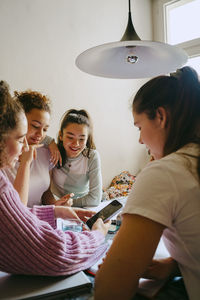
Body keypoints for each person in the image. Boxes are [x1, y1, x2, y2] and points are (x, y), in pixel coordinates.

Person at [94, 66, 200, 300]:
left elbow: (110, 291)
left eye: (140, 127)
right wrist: (174, 265)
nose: (140, 140)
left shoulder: (165, 172)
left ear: (160, 117)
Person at [0, 80, 110, 276]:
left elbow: (15, 215)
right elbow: (56, 254)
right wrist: (97, 236)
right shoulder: (7, 171)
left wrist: (57, 211)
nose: (38, 136)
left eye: (45, 129)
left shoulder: (47, 152)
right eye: (20, 137)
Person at [3, 90, 72, 207]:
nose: (40, 134)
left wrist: (56, 205)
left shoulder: (46, 152)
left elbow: (45, 192)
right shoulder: (5, 157)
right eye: (35, 126)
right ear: (19, 121)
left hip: (39, 221)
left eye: (45, 129)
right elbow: (16, 211)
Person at [50, 109, 102, 207]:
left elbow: (95, 199)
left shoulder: (91, 156)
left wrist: (69, 203)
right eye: (70, 137)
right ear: (61, 135)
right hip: (57, 204)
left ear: (87, 139)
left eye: (82, 139)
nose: (76, 144)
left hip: (84, 205)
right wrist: (50, 142)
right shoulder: (54, 152)